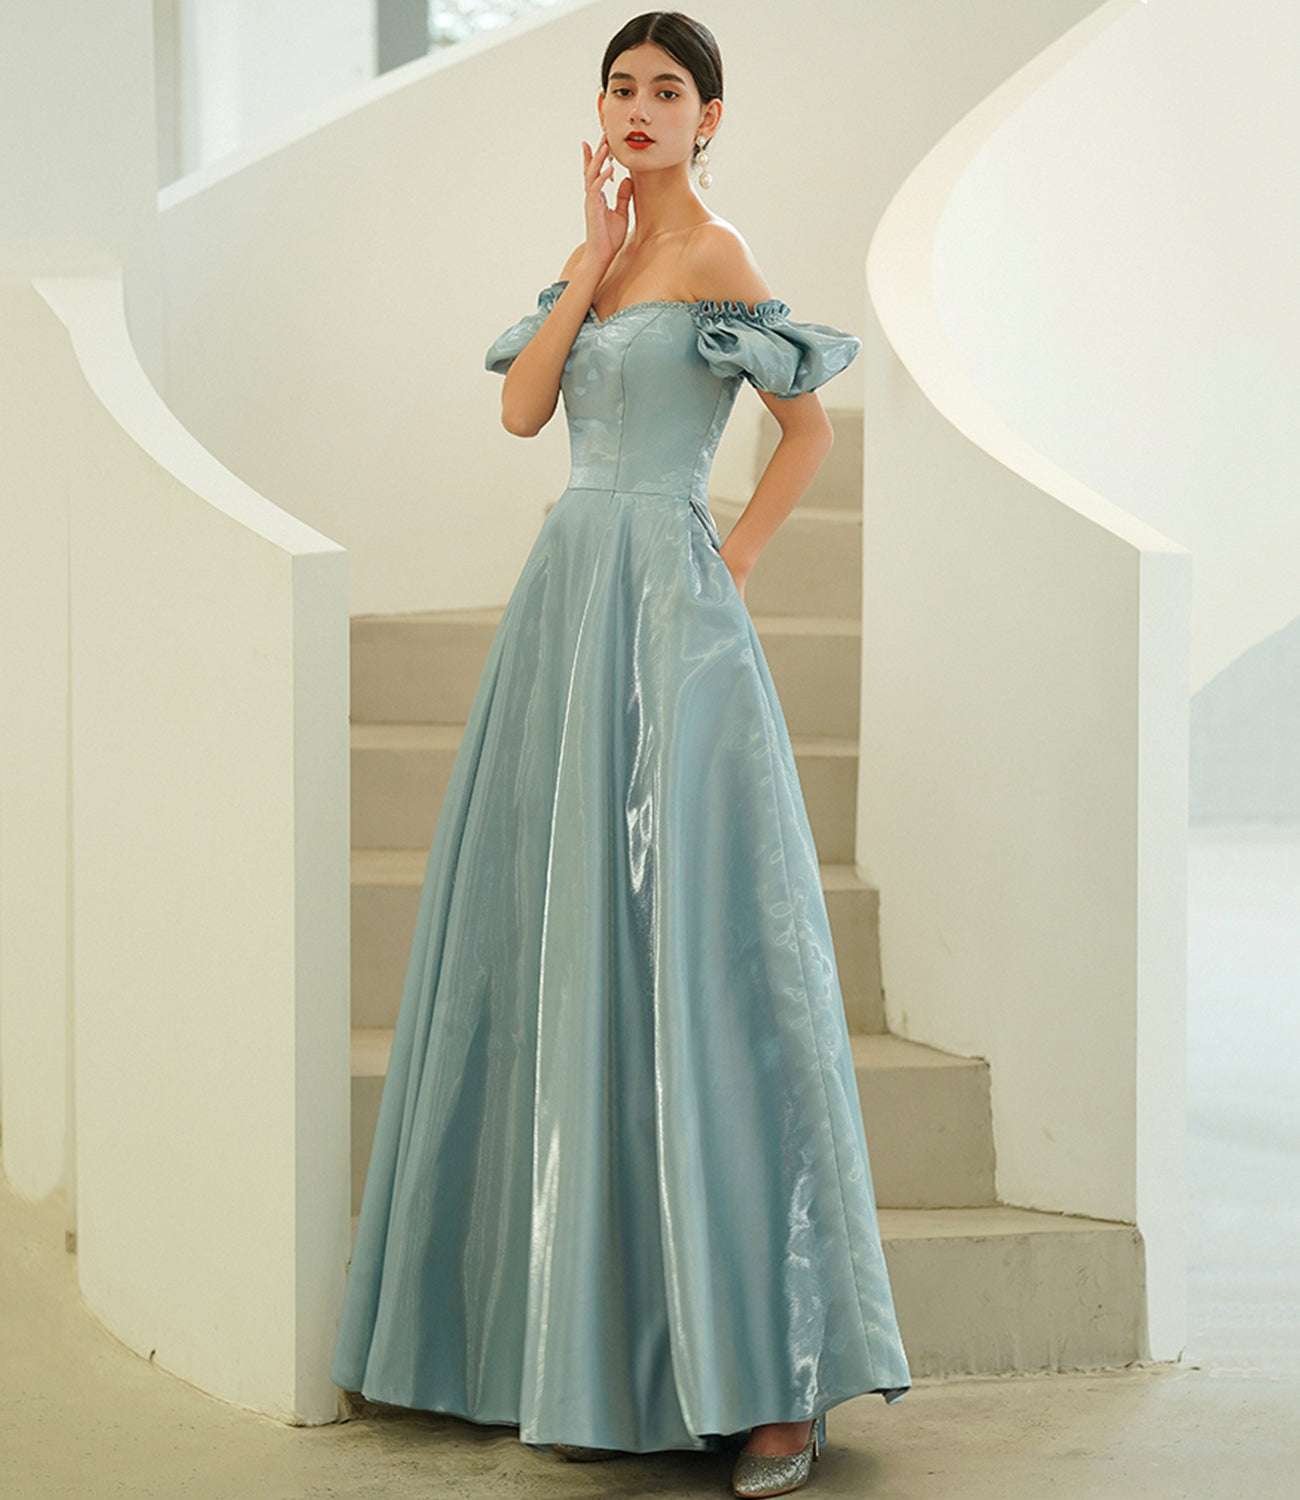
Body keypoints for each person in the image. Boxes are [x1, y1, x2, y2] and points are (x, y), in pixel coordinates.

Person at [330, 11, 911, 1497]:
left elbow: (807, 432)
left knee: (703, 958)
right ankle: (571, 1344)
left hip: (671, 609)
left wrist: (733, 558)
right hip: (565, 603)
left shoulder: (720, 252)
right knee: (560, 945)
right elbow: (525, 409)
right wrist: (588, 261)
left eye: (667, 90)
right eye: (619, 88)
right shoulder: (598, 259)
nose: (639, 108)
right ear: (598, 114)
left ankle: (773, 1382)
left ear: (711, 118)